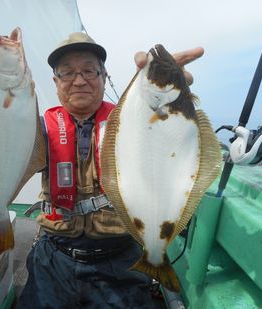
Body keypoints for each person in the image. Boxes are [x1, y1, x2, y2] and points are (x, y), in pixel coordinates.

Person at [16, 32, 204, 308]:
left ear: (104, 76)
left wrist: (174, 98)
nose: (79, 80)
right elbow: (8, 155)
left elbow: (173, 144)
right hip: (53, 257)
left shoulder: (133, 120)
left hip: (120, 260)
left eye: (89, 70)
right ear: (56, 83)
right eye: (67, 73)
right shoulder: (41, 128)